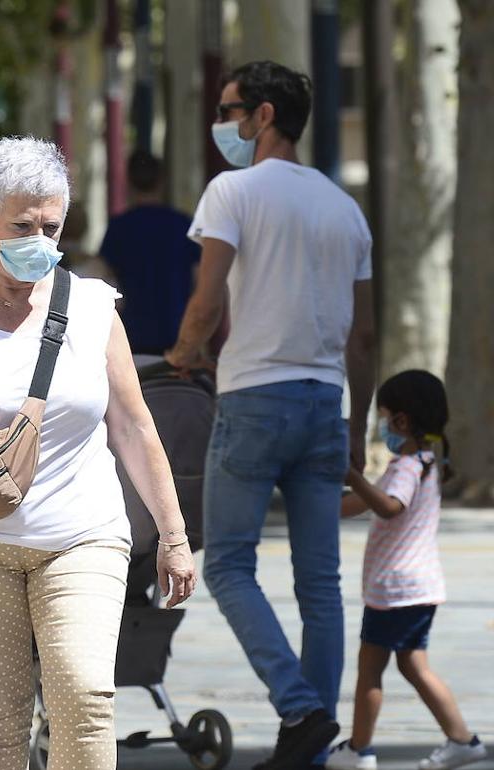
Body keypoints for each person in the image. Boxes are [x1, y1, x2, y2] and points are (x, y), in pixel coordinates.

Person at [0, 136, 196, 770]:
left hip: (84, 537)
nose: (39, 240)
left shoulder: (95, 306)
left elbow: (132, 424)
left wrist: (174, 533)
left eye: (52, 226)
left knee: (85, 696)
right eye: (22, 225)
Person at [165, 60, 378, 769]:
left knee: (226, 565)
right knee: (321, 586)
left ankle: (301, 709)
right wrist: (355, 429)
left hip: (255, 397)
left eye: (228, 112)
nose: (221, 125)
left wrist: (184, 351)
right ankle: (309, 752)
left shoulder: (234, 191)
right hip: (324, 401)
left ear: (262, 116)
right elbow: (364, 335)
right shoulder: (344, 207)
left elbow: (208, 297)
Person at [327, 371, 486, 770]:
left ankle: (359, 750)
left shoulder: (408, 467)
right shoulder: (427, 460)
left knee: (370, 672)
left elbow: (387, 506)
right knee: (413, 667)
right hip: (415, 588)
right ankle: (461, 740)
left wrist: (352, 477)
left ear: (401, 421)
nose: (382, 426)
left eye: (383, 417)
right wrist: (319, 507)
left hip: (395, 590)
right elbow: (365, 504)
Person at [98, 151, 201, 355]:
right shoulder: (182, 224)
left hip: (131, 335)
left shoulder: (120, 227)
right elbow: (199, 281)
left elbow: (105, 279)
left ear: (128, 183)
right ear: (162, 181)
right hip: (178, 334)